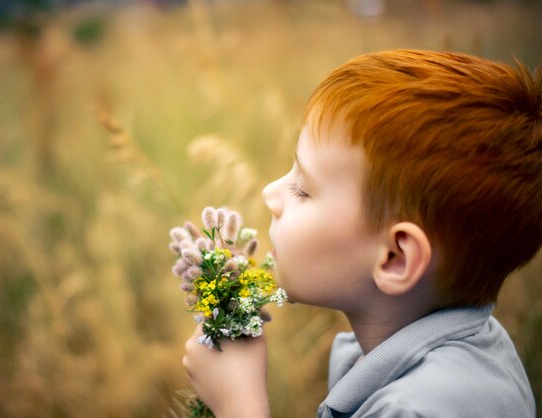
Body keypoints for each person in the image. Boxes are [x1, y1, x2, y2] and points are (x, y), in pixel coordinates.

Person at [182, 50, 541, 417]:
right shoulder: (479, 353)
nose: (270, 193)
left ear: (396, 259)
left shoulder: (412, 411)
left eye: (303, 189)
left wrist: (240, 405)